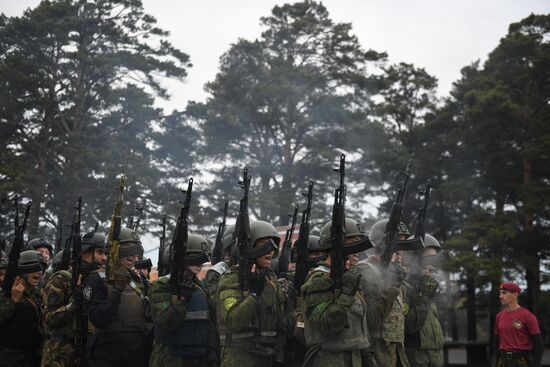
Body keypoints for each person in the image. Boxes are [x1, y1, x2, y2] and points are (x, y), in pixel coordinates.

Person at [216, 220, 296, 367]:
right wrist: (253, 294)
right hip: (239, 357)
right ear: (250, 247)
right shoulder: (232, 278)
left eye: (273, 244)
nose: (271, 250)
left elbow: (282, 320)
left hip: (267, 355)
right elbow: (233, 321)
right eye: (264, 244)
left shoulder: (270, 278)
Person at [301, 218, 372, 367]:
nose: (357, 252)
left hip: (354, 358)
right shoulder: (318, 280)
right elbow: (326, 325)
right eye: (352, 244)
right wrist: (346, 294)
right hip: (329, 360)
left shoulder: (348, 279)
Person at [83, 227, 152, 367]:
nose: (134, 257)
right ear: (114, 251)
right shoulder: (97, 278)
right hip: (107, 355)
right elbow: (98, 318)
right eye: (128, 251)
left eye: (136, 251)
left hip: (136, 353)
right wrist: (116, 291)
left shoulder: (139, 280)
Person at [149, 233, 218, 367]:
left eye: (203, 258)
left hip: (199, 359)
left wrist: (212, 357)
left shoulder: (201, 288)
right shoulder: (163, 286)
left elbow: (209, 326)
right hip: (170, 359)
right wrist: (183, 301)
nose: (200, 263)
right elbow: (163, 323)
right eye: (195, 257)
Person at [40, 230, 107, 367]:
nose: (104, 258)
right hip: (60, 354)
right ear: (86, 252)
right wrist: (73, 305)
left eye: (106, 253)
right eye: (100, 252)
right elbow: (48, 319)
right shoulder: (62, 279)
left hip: (87, 353)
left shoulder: (99, 282)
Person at [350, 218, 411, 367]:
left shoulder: (395, 274)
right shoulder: (364, 270)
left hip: (395, 352)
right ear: (382, 245)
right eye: (398, 244)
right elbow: (372, 319)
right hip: (374, 353)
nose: (401, 251)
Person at [404, 234, 445, 367]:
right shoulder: (404, 287)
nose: (432, 266)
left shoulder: (427, 286)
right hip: (416, 356)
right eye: (429, 259)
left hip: (435, 355)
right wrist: (424, 297)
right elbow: (409, 326)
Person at [0, 250, 46, 367]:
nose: (39, 272)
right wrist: (13, 300)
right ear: (23, 270)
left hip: (33, 357)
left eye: (41, 268)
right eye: (35, 268)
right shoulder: (6, 293)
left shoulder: (39, 293)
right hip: (9, 358)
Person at [495, 282, 543, 367]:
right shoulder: (499, 316)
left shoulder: (528, 316)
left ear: (515, 294)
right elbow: (496, 343)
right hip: (502, 361)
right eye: (500, 293)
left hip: (522, 361)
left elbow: (538, 345)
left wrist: (535, 365)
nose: (500, 296)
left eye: (504, 293)